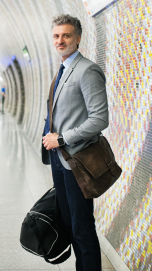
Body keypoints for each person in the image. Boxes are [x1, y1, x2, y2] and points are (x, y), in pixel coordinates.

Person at [41, 14, 108, 271]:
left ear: (78, 39)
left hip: (76, 161)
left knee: (82, 228)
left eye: (66, 35)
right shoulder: (62, 70)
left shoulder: (87, 70)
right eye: (57, 36)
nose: (61, 40)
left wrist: (62, 138)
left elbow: (100, 119)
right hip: (60, 162)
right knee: (70, 224)